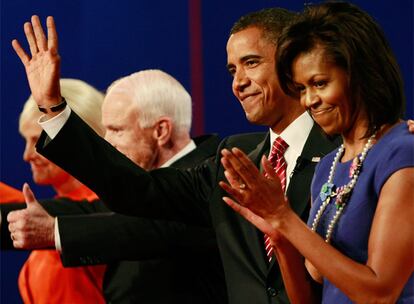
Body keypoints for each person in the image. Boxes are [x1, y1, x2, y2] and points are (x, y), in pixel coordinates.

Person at [12, 9, 339, 303]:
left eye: (251, 62)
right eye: (231, 70)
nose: (238, 82)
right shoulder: (235, 160)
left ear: (292, 62)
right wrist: (53, 107)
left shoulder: (341, 152)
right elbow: (140, 190)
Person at [219, 2, 414, 303]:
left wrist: (285, 219)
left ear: (360, 75)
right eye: (301, 89)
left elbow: (381, 293)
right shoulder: (328, 167)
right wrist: (281, 241)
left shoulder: (401, 154)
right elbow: (309, 297)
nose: (310, 100)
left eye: (320, 84)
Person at [4, 70, 228, 303]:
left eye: (117, 130)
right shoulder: (138, 191)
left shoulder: (211, 183)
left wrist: (54, 232)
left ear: (161, 131)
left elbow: (140, 228)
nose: (107, 141)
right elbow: (88, 211)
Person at [7, 79, 107, 304]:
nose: (27, 155)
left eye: (37, 140)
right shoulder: (51, 211)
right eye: (26, 140)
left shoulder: (109, 209)